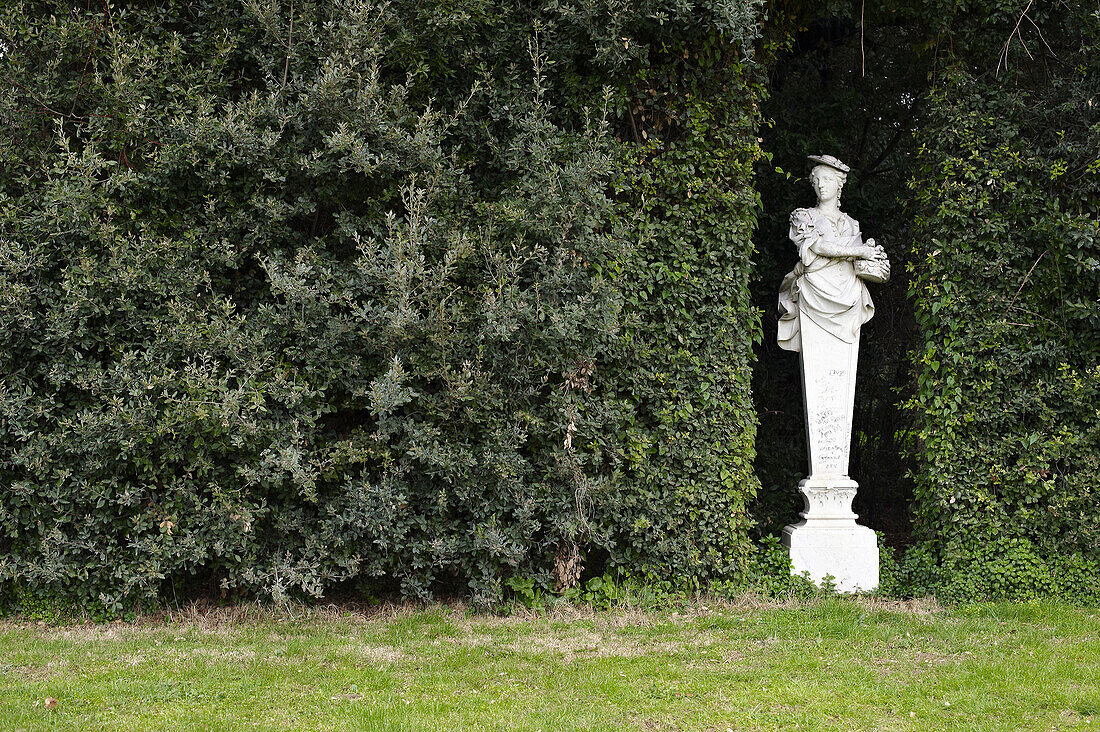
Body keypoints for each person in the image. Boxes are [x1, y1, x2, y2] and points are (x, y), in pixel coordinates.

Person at [777, 155, 886, 353]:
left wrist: (874, 254)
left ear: (839, 185)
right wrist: (860, 251)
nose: (820, 185)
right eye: (816, 180)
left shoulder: (852, 224)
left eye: (826, 179)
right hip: (814, 289)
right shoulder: (803, 216)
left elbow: (859, 263)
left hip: (849, 291)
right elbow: (818, 247)